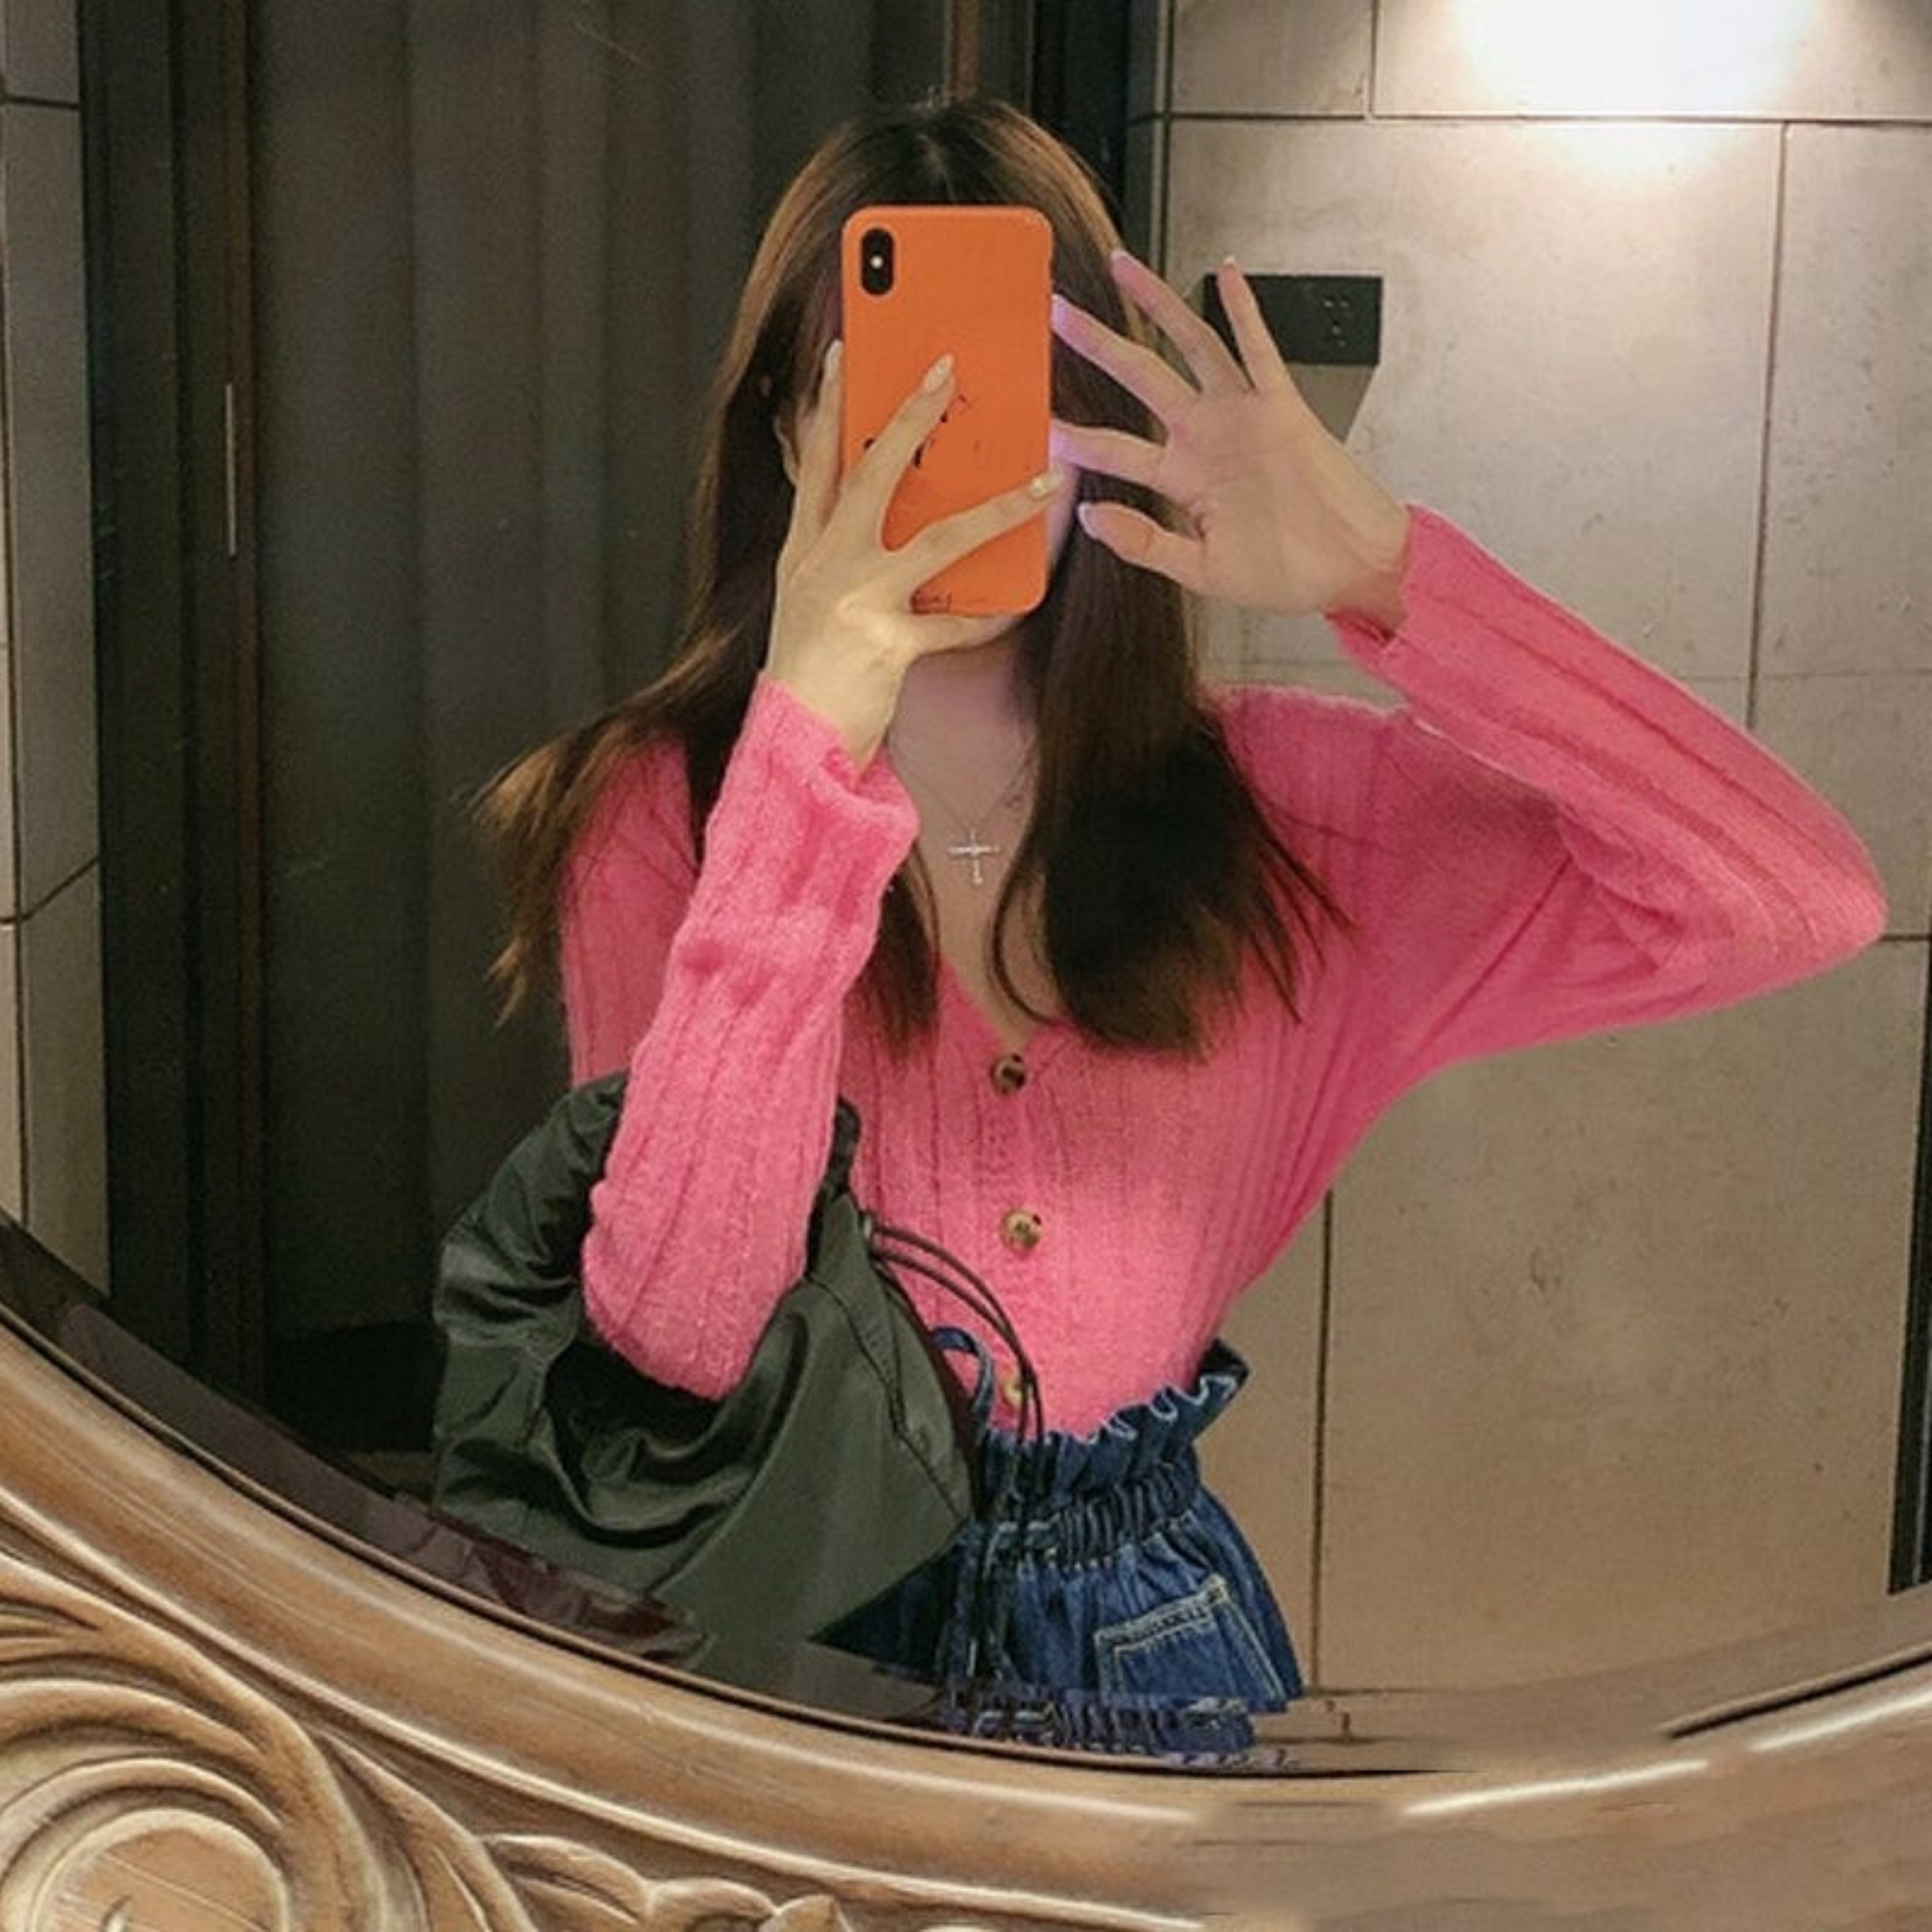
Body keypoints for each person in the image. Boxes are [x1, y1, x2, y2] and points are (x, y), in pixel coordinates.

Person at [477, 95, 1885, 1731]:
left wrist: (1390, 576)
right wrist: (806, 756)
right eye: (876, 393)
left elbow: (1797, 901)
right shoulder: (662, 815)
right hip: (783, 1656)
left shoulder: (1295, 812)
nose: (940, 444)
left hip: (1154, 1648)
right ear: (785, 441)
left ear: (1098, 426)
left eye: (1006, 391)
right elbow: (683, 1340)